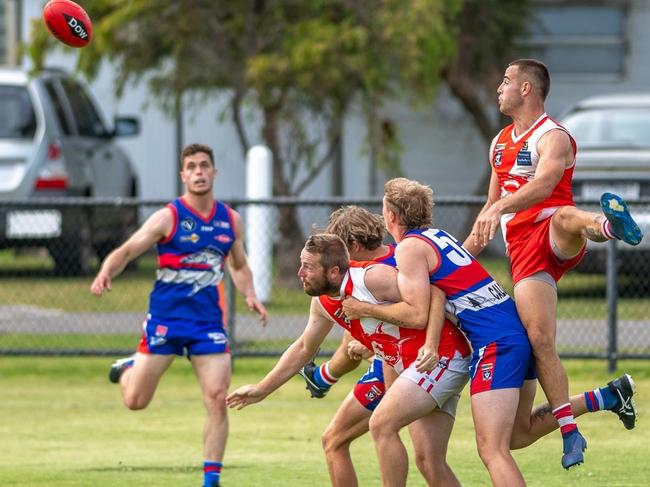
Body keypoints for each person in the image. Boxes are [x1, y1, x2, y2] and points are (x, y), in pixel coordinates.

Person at [341, 177, 636, 486]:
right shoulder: (436, 236)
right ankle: (606, 396)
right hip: (513, 334)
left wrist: (363, 310)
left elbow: (416, 314)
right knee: (517, 435)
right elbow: (438, 294)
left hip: (496, 343)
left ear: (392, 215)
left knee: (491, 449)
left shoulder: (410, 248)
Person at [464, 58, 642, 468]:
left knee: (564, 215)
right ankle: (572, 426)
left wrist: (501, 206)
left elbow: (544, 185)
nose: (499, 87)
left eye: (506, 80)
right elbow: (490, 210)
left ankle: (610, 227)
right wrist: (451, 258)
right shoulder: (498, 143)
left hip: (553, 230)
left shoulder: (553, 136)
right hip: (522, 249)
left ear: (526, 89)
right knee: (540, 338)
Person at [227, 233, 472, 487]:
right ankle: (323, 378)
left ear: (334, 272)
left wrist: (429, 345)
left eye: (308, 267)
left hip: (442, 358)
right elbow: (303, 347)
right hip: (410, 368)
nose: (300, 272)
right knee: (429, 461)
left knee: (382, 425)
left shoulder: (370, 278)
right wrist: (262, 389)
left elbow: (434, 293)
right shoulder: (322, 302)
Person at [90, 143, 268, 487]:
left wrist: (250, 295)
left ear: (214, 173)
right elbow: (128, 249)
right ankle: (129, 369)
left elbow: (240, 265)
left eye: (204, 166)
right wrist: (106, 271)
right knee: (135, 401)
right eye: (192, 167)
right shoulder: (168, 217)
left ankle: (210, 480)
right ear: (183, 175)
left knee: (218, 398)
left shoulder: (230, 220)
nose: (199, 172)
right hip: (166, 321)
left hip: (207, 325)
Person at [298, 206, 397, 401]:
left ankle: (321, 378)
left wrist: (372, 346)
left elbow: (417, 315)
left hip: (410, 359)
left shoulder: (382, 273)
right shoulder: (355, 273)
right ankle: (321, 378)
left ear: (354, 245)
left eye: (341, 249)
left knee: (384, 424)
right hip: (392, 356)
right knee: (352, 334)